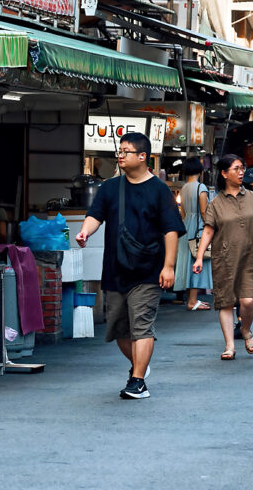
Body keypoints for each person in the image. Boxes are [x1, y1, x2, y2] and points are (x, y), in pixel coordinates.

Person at [75, 132, 185, 400]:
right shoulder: (111, 187)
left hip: (148, 269)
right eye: (119, 151)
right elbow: (95, 215)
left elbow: (171, 230)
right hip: (115, 268)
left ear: (142, 156)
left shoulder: (159, 190)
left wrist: (168, 266)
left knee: (142, 326)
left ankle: (137, 381)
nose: (120, 155)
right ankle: (140, 366)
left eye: (126, 151)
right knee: (120, 330)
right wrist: (84, 232)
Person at [193, 155, 253, 360]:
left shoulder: (252, 198)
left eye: (242, 168)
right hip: (225, 259)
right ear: (224, 174)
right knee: (226, 302)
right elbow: (208, 231)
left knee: (248, 301)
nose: (242, 172)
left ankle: (246, 330)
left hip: (250, 256)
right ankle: (229, 346)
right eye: (236, 169)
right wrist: (198, 257)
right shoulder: (216, 203)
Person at [174, 157, 212, 310]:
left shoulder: (184, 188)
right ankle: (192, 301)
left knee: (188, 262)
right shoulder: (201, 187)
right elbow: (204, 211)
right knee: (198, 262)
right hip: (199, 229)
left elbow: (182, 212)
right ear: (200, 170)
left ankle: (192, 299)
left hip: (186, 227)